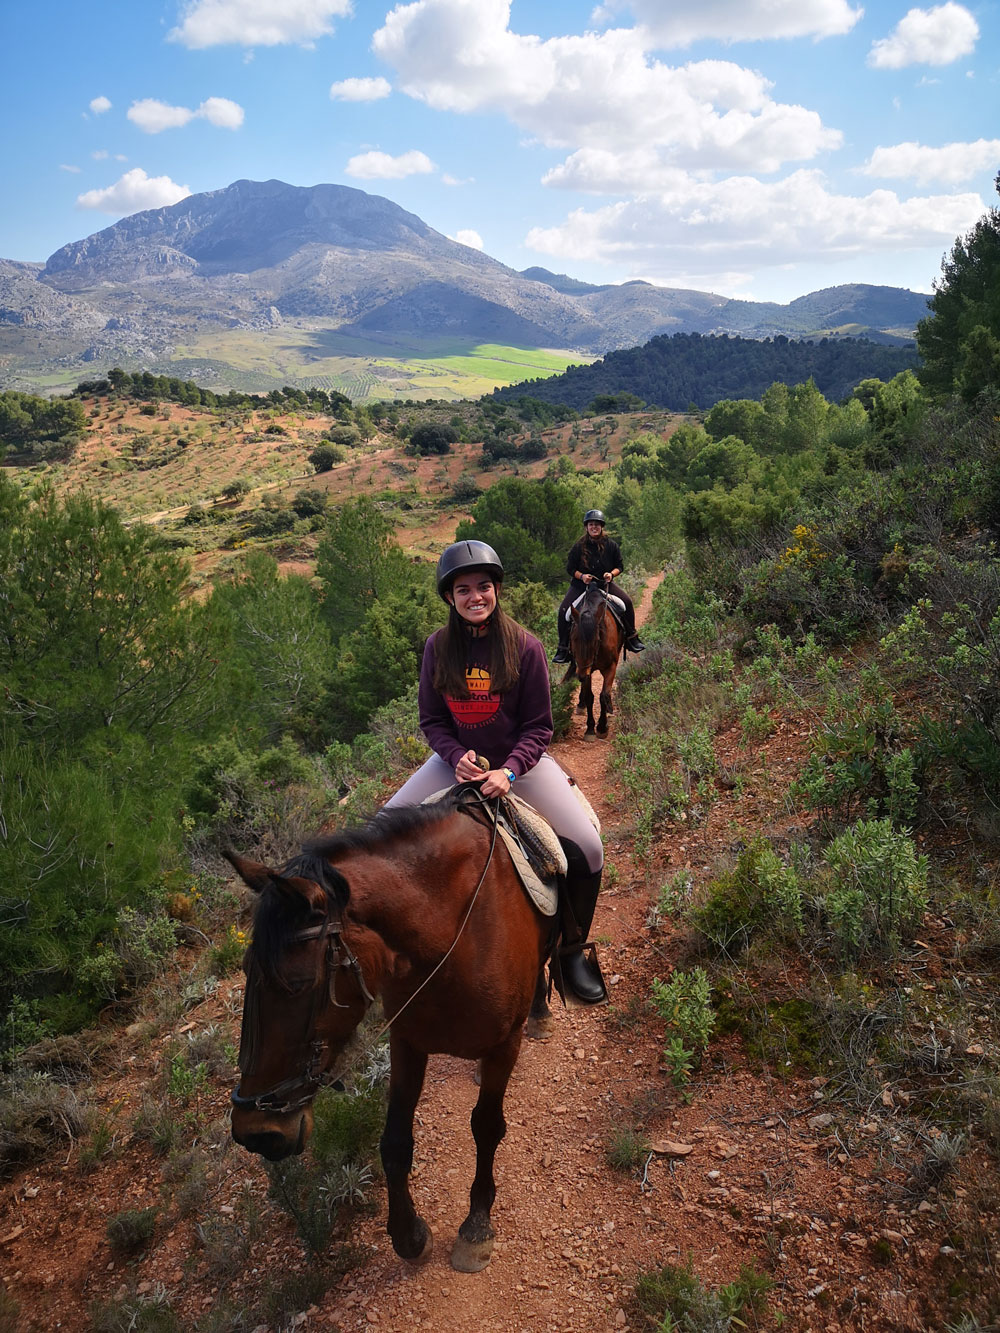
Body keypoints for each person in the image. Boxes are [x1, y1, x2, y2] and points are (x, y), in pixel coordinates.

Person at [383, 539, 606, 1003]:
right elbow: (432, 721)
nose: (475, 597)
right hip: (456, 766)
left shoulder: (525, 647)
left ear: (497, 589)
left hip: (520, 764)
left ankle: (570, 953)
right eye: (463, 590)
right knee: (384, 832)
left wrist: (509, 770)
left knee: (588, 847)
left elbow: (539, 726)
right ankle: (398, 959)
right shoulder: (437, 648)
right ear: (450, 597)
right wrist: (453, 755)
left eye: (483, 586)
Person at [552, 510, 645, 665]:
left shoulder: (612, 545)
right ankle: (563, 648)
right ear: (586, 527)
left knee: (627, 602)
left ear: (601, 527)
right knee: (563, 611)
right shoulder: (578, 547)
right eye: (591, 525)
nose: (593, 527)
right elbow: (570, 569)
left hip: (604, 584)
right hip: (581, 586)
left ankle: (632, 638)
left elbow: (619, 566)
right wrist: (582, 576)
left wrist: (611, 574)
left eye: (596, 524)